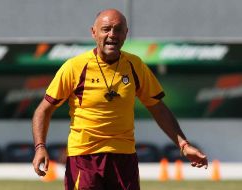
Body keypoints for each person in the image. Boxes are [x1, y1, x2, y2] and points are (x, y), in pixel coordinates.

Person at [32, 8, 208, 190]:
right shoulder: (74, 67)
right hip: (85, 158)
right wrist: (40, 147)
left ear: (126, 34)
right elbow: (43, 110)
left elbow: (157, 107)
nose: (112, 35)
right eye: (106, 29)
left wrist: (184, 144)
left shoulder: (135, 65)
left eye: (118, 30)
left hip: (124, 159)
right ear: (93, 32)